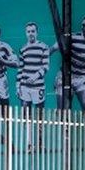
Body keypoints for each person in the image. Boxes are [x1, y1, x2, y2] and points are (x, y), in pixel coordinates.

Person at [17, 22, 50, 152]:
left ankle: (41, 144)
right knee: (27, 116)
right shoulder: (23, 48)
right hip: (25, 87)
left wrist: (35, 77)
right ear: (26, 33)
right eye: (28, 31)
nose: (30, 34)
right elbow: (20, 69)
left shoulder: (43, 47)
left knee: (40, 116)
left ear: (37, 32)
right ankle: (30, 144)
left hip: (38, 87)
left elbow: (46, 66)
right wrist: (17, 86)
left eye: (33, 31)